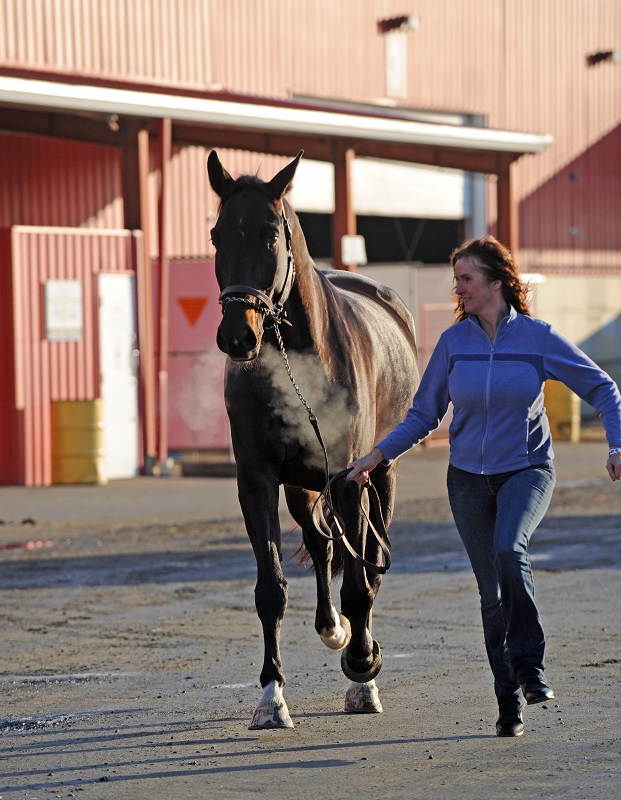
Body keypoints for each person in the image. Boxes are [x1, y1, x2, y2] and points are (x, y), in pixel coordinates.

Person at [347, 235, 621, 738]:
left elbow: (603, 387)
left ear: (496, 281)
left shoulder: (537, 338)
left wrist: (616, 445)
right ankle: (507, 699)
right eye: (457, 280)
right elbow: (423, 415)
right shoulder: (455, 343)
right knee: (490, 592)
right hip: (467, 481)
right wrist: (375, 456)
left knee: (509, 550)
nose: (459, 288)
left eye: (466, 278)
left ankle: (530, 668)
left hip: (527, 469)